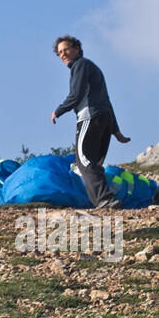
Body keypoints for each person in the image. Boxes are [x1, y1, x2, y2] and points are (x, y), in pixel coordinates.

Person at [49, 35, 129, 209]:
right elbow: (106, 100)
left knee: (84, 161)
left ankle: (105, 199)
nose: (63, 54)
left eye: (66, 49)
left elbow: (76, 94)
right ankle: (106, 201)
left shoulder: (80, 65)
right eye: (60, 52)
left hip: (89, 117)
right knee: (94, 163)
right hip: (104, 118)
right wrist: (115, 130)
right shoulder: (91, 67)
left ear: (77, 48)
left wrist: (58, 110)